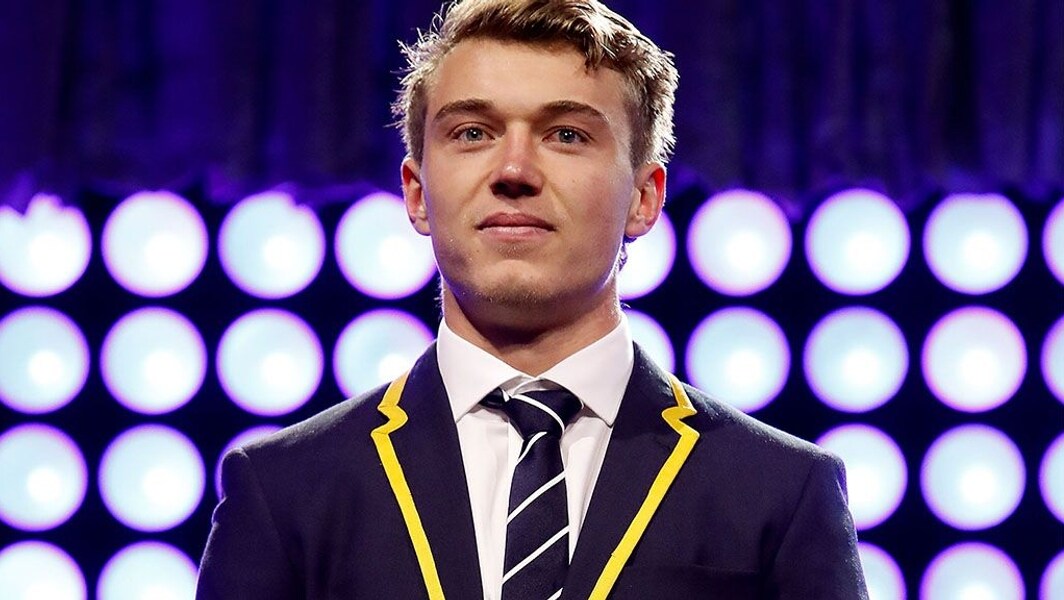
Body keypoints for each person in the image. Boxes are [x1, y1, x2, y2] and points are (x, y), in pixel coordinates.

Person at [196, 0, 869, 598]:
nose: (514, 171)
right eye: (472, 133)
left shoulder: (780, 491)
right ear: (416, 193)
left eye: (566, 134)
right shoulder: (284, 490)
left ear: (644, 198)